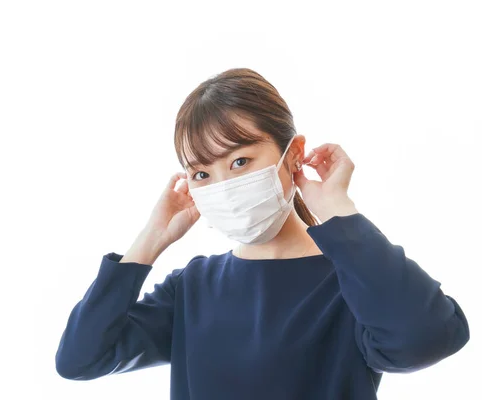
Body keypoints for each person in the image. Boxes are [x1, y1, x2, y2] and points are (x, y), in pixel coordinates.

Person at [54, 68, 470, 399]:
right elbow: (80, 358)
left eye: (240, 162)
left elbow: (426, 338)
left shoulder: (351, 281)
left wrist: (337, 209)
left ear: (292, 156)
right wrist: (149, 240)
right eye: (202, 172)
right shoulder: (191, 289)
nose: (222, 185)